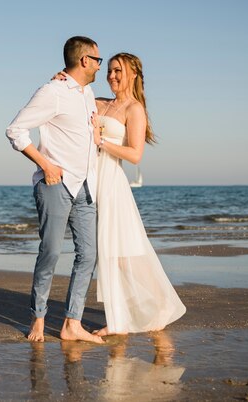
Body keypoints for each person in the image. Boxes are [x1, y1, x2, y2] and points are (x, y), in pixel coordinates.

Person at [5, 36, 104, 343]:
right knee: (50, 253)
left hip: (86, 186)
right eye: (98, 60)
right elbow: (15, 130)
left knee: (88, 254)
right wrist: (45, 164)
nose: (100, 65)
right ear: (85, 60)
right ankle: (37, 319)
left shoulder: (88, 93)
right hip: (55, 184)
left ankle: (72, 324)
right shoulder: (52, 92)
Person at [90, 53, 186, 335]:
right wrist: (60, 76)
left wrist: (102, 142)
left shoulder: (134, 109)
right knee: (108, 252)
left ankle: (157, 305)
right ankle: (120, 319)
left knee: (122, 252)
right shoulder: (98, 103)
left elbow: (135, 154)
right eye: (109, 70)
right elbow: (74, 95)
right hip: (92, 182)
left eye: (118, 71)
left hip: (112, 183)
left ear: (133, 74)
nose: (111, 76)